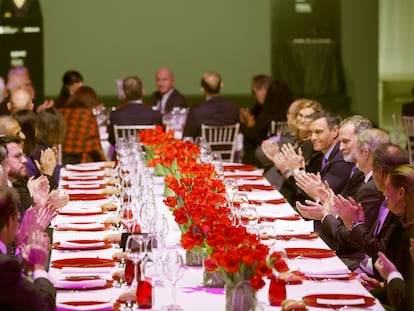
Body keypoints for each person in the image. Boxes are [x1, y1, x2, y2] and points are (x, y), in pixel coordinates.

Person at [298, 128, 390, 270]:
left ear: (365, 154)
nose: (341, 148)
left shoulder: (371, 188)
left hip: (358, 259)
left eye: (347, 142)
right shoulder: (365, 178)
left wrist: (326, 215)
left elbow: (354, 239)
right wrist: (332, 205)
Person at [0, 186, 56, 311]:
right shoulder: (5, 265)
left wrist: (25, 269)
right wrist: (39, 267)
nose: (19, 218)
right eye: (17, 214)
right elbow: (44, 307)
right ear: (9, 221)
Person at [261, 100, 322, 189]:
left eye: (308, 117)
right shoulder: (298, 140)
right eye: (300, 115)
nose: (302, 120)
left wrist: (284, 168)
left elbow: (298, 184)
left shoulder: (310, 144)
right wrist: (276, 159)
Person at [241, 80, 293, 167]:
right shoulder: (290, 115)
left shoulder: (266, 115)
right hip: (284, 151)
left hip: (264, 153)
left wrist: (250, 124)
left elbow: (253, 139)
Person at [108, 76, 163, 146]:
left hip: (124, 155)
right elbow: (160, 138)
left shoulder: (115, 115)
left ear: (124, 94)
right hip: (148, 156)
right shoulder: (155, 114)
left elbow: (112, 140)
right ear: (142, 91)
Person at [183, 71, 240, 139]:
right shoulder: (233, 108)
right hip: (229, 149)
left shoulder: (196, 111)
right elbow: (240, 132)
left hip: (204, 149)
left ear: (202, 89)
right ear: (221, 85)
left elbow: (187, 137)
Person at [59, 86, 106, 164]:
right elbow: (93, 145)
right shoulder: (87, 114)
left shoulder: (61, 112)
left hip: (59, 159)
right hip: (80, 161)